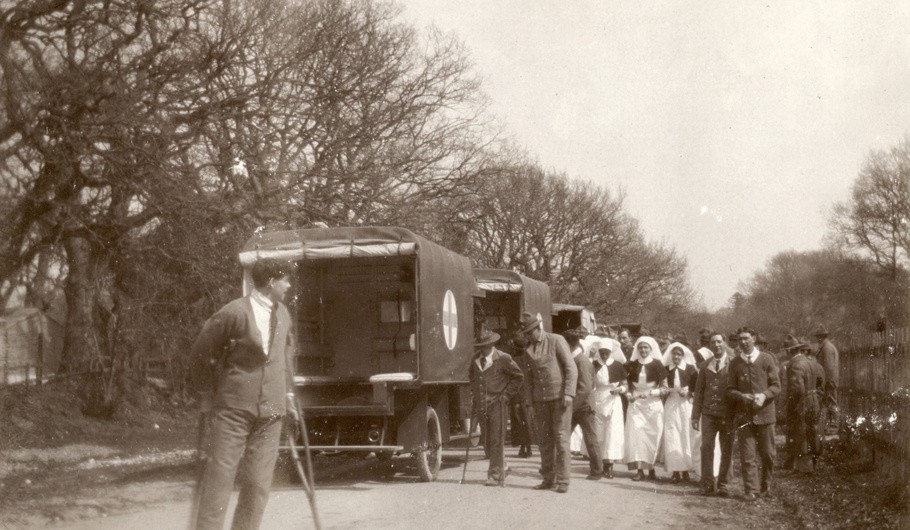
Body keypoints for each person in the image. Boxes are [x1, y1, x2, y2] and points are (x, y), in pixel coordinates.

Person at [190, 260, 296, 530]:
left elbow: (286, 354)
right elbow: (201, 351)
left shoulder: (283, 313)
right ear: (271, 282)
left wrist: (290, 392)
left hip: (271, 411)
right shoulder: (233, 312)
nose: (289, 285)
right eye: (285, 280)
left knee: (258, 484)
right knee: (219, 481)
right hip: (233, 409)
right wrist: (205, 392)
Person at [518, 312, 577, 493]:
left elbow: (571, 368)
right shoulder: (528, 350)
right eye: (525, 334)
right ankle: (548, 478)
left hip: (560, 399)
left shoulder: (556, 340)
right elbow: (527, 380)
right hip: (539, 401)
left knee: (561, 439)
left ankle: (563, 480)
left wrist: (568, 393)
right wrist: (529, 403)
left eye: (529, 333)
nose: (527, 337)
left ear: (538, 329)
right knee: (544, 441)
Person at [727, 327, 781, 501]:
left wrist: (764, 395)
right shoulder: (735, 363)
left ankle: (766, 486)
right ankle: (751, 490)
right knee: (748, 456)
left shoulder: (766, 359)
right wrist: (741, 396)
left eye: (746, 338)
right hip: (744, 417)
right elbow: (729, 389)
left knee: (767, 454)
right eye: (740, 339)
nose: (743, 342)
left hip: (765, 415)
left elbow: (776, 386)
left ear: (754, 338)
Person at [470, 326, 525, 486]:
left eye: (484, 345)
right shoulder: (475, 360)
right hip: (482, 405)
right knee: (487, 441)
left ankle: (495, 475)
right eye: (479, 346)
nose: (482, 349)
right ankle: (503, 466)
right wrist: (475, 393)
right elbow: (471, 377)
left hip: (498, 405)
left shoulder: (503, 358)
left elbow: (518, 377)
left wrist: (506, 396)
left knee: (496, 440)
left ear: (491, 344)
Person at [692, 331, 733, 497]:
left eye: (719, 342)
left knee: (726, 448)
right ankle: (708, 483)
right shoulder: (704, 366)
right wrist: (695, 416)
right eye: (713, 342)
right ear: (709, 345)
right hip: (708, 413)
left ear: (724, 343)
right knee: (707, 446)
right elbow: (699, 392)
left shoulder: (733, 363)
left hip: (727, 414)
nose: (716, 345)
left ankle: (723, 484)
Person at [624, 336, 668, 481]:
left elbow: (664, 388)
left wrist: (651, 393)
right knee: (637, 436)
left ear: (651, 349)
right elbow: (626, 384)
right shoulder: (631, 365)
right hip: (636, 405)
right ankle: (639, 470)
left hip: (653, 405)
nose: (643, 350)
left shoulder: (657, 365)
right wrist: (629, 394)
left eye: (646, 347)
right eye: (640, 347)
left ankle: (652, 468)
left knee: (652, 437)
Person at [563, 328, 604, 480]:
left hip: (584, 407)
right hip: (576, 405)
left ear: (570, 344)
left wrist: (571, 407)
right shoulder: (574, 359)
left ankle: (597, 471)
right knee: (563, 435)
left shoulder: (582, 361)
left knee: (590, 439)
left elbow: (585, 388)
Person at [785, 339, 826, 473]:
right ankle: (814, 463)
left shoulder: (795, 365)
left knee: (800, 432)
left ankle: (805, 467)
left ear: (789, 351)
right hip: (813, 400)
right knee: (813, 431)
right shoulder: (811, 362)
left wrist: (792, 405)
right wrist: (816, 397)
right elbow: (820, 382)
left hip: (801, 403)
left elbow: (797, 389)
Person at [662, 342, 698, 483]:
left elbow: (696, 389)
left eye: (679, 354)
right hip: (671, 403)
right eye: (674, 354)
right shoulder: (666, 369)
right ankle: (675, 470)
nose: (676, 356)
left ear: (683, 356)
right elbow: (663, 387)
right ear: (671, 355)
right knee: (672, 435)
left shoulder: (690, 369)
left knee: (685, 434)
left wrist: (688, 392)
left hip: (685, 405)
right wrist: (669, 390)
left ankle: (686, 471)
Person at [592, 339, 627, 478]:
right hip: (597, 398)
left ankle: (609, 465)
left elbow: (625, 383)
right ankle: (597, 464)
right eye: (602, 352)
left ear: (611, 352)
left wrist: (620, 389)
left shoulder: (617, 365)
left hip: (613, 399)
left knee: (612, 432)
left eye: (607, 352)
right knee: (598, 431)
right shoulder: (594, 365)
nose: (604, 354)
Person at [509, 333, 534, 458]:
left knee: (520, 422)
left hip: (518, 395)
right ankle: (527, 447)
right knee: (527, 422)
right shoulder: (529, 358)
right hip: (528, 396)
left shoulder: (514, 360)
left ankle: (524, 447)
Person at [813, 325, 839, 433]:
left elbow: (829, 368)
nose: (817, 339)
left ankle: (833, 427)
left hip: (829, 381)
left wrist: (826, 383)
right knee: (829, 403)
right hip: (829, 381)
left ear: (821, 337)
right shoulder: (825, 347)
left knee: (831, 402)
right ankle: (830, 426)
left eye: (818, 337)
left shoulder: (827, 348)